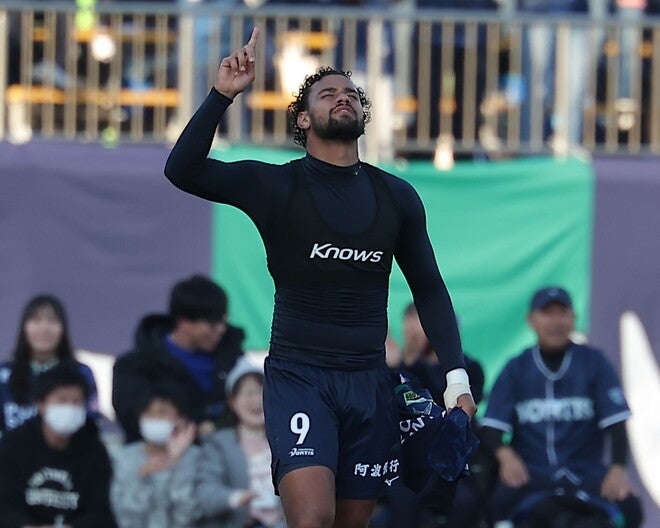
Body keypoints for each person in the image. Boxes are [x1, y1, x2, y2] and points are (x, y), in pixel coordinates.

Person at [164, 27, 476, 528]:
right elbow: (182, 170)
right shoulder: (275, 184)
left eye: (350, 93)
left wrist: (456, 378)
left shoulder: (397, 197)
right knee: (312, 519)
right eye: (327, 94)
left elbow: (429, 289)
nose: (343, 98)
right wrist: (222, 95)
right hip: (300, 377)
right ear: (304, 119)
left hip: (369, 384)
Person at [481, 286, 643, 528]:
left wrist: (618, 468)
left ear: (573, 318)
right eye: (548, 313)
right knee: (498, 506)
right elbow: (492, 427)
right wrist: (505, 456)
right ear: (531, 320)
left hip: (586, 473)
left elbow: (617, 424)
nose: (556, 321)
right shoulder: (517, 368)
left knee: (630, 507)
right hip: (532, 473)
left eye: (562, 313)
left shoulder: (594, 363)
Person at [112, 274, 245, 443]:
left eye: (224, 321)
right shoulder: (133, 367)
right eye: (213, 323)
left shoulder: (234, 359)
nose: (221, 329)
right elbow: (133, 419)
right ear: (183, 321)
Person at [0, 360, 116, 527]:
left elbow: (101, 512)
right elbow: (5, 505)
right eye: (62, 401)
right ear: (41, 404)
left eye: (77, 402)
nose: (70, 408)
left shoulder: (94, 451)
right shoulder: (13, 445)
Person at [197, 357, 285, 528]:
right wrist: (236, 498)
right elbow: (205, 493)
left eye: (261, 392)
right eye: (248, 393)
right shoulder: (219, 444)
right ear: (232, 402)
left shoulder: (286, 439)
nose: (256, 400)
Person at [0, 294, 99, 434]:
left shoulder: (81, 372)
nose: (44, 328)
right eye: (36, 320)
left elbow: (91, 423)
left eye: (52, 321)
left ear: (63, 329)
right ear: (24, 328)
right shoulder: (3, 373)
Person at [110, 384, 200, 528]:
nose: (155, 419)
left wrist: (177, 466)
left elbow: (188, 517)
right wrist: (141, 479)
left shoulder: (195, 458)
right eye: (149, 414)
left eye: (162, 413)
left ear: (180, 418)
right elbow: (126, 520)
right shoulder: (123, 459)